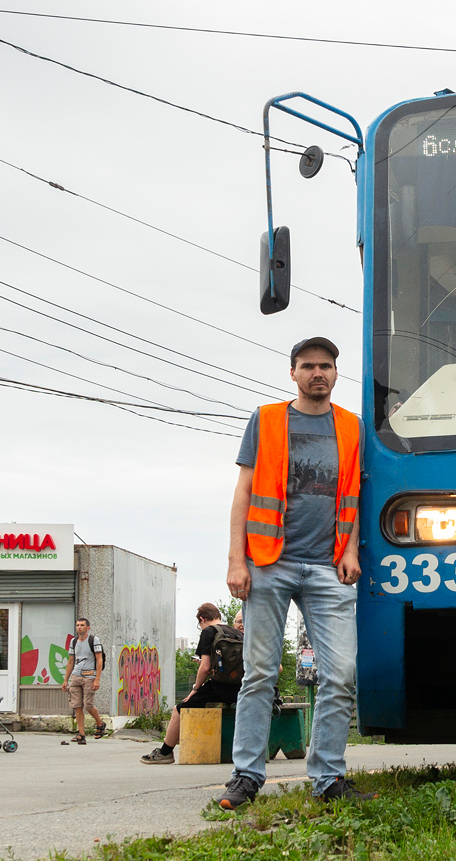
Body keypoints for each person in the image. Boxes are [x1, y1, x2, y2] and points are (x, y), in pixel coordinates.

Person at [217, 336, 369, 810]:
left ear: (336, 373)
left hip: (329, 566)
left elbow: (352, 496)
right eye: (308, 366)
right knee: (259, 673)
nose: (317, 373)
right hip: (269, 561)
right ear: (293, 373)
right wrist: (235, 560)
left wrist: (349, 551)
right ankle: (246, 775)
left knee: (341, 673)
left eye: (325, 366)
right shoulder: (266, 419)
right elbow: (243, 491)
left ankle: (328, 778)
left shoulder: (351, 426)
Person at [141, 603, 240, 764]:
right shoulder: (235, 632)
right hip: (241, 687)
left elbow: (205, 667)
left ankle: (165, 753)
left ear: (202, 619)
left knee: (180, 708)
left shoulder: (209, 632)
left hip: (220, 687)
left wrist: (195, 688)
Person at [61, 617, 107, 744]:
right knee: (77, 706)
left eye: (82, 625)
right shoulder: (73, 641)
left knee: (88, 705)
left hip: (89, 676)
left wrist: (97, 679)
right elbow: (71, 661)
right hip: (76, 676)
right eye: (77, 625)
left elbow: (99, 660)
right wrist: (66, 680)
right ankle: (81, 734)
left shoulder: (93, 640)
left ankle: (100, 723)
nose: (79, 627)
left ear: (88, 628)